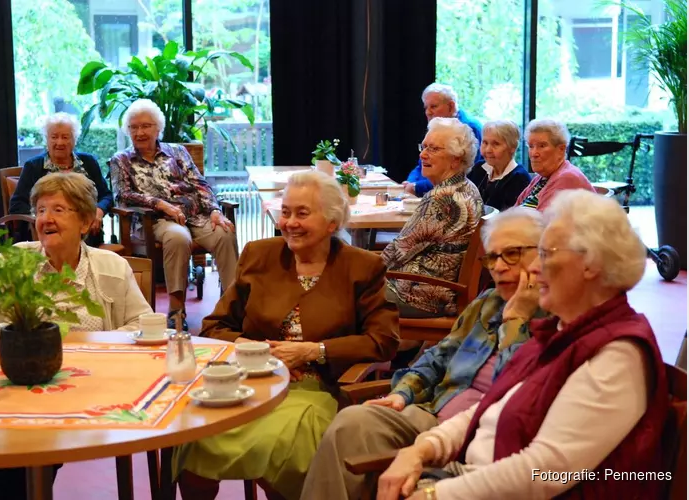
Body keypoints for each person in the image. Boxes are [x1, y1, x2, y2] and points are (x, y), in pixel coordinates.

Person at [377, 189, 668, 500]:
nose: (532, 269)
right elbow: (491, 406)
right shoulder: (564, 331)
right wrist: (423, 449)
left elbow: (544, 471)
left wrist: (435, 494)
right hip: (467, 473)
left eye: (547, 254)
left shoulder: (618, 351)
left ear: (591, 264)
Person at [172, 170, 400, 500]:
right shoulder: (259, 255)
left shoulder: (362, 267)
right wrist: (253, 350)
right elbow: (214, 326)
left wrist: (313, 351)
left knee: (282, 440)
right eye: (286, 212)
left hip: (314, 386)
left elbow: (384, 340)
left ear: (332, 222)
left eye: (302, 213)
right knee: (193, 435)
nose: (289, 222)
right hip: (249, 382)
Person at [301, 207, 547, 499]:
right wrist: (401, 393)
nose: (499, 267)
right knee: (351, 424)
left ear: (545, 253)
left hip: (483, 436)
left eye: (513, 253)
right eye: (493, 257)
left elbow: (513, 394)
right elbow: (439, 356)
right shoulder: (489, 302)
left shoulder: (554, 317)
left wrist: (517, 318)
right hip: (434, 410)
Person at [0, 172, 152, 500]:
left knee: (34, 441)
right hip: (23, 389)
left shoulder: (112, 267)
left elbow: (143, 323)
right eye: (40, 210)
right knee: (31, 437)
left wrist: (88, 351)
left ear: (87, 222)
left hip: (95, 390)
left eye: (59, 210)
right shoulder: (15, 262)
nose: (45, 218)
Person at [110, 99, 238, 330]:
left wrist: (215, 211)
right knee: (178, 237)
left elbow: (199, 183)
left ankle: (230, 305)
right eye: (134, 127)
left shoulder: (177, 151)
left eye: (146, 126)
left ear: (158, 128)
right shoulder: (122, 160)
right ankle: (176, 309)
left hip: (195, 215)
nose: (140, 132)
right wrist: (161, 204)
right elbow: (122, 195)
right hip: (156, 220)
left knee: (224, 232)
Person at [383, 117, 484, 318]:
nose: (423, 154)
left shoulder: (441, 198)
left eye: (434, 149)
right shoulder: (467, 187)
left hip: (417, 294)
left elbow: (396, 253)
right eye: (424, 146)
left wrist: (354, 270)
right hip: (437, 289)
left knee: (341, 289)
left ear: (456, 159)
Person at [9, 112, 113, 246]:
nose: (60, 142)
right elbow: (17, 205)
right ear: (46, 139)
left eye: (65, 137)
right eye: (54, 137)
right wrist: (45, 216)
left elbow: (107, 196)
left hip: (87, 233)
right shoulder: (33, 167)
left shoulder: (88, 162)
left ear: (74, 140)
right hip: (48, 234)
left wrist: (99, 210)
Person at [403, 84, 483, 197]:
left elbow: (464, 174)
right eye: (426, 107)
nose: (428, 112)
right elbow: (420, 165)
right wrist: (411, 183)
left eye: (433, 106)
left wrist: (417, 187)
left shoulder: (467, 128)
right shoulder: (437, 127)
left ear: (451, 106)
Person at [515, 118, 594, 210]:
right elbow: (514, 210)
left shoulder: (567, 178)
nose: (534, 153)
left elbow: (543, 222)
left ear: (561, 149)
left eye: (542, 146)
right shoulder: (541, 178)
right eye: (531, 146)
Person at [467, 120, 531, 211]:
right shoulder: (479, 168)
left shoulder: (519, 178)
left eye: (496, 144)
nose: (488, 150)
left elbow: (508, 218)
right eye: (485, 143)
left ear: (512, 147)